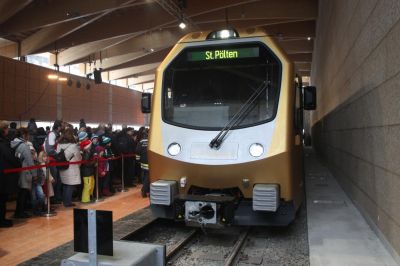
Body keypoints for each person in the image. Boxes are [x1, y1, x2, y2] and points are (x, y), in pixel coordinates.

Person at [11, 128, 38, 218]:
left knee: (20, 193)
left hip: (17, 170)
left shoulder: (13, 143)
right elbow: (30, 161)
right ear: (24, 135)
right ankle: (20, 212)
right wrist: (34, 174)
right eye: (27, 134)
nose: (29, 136)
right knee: (23, 193)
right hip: (25, 171)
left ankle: (19, 211)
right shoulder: (24, 146)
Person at [0, 121, 20, 227]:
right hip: (3, 176)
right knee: (2, 199)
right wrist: (18, 162)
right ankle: (2, 220)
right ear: (4, 130)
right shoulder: (3, 143)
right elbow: (11, 158)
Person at [57, 128, 82, 207]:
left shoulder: (59, 145)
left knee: (65, 184)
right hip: (71, 167)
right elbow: (78, 157)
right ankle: (67, 202)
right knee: (70, 186)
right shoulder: (73, 146)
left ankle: (65, 201)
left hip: (62, 167)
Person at [44, 120, 63, 203]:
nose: (63, 127)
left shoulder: (56, 134)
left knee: (58, 180)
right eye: (62, 125)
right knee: (54, 181)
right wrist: (59, 155)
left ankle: (56, 198)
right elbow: (50, 150)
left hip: (56, 160)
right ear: (59, 126)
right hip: (52, 160)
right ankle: (52, 200)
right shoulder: (52, 134)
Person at [137, 131, 149, 198]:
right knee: (148, 177)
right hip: (150, 161)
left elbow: (137, 151)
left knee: (144, 175)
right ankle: (144, 190)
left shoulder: (141, 142)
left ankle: (146, 189)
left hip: (143, 162)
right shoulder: (152, 140)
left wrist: (138, 160)